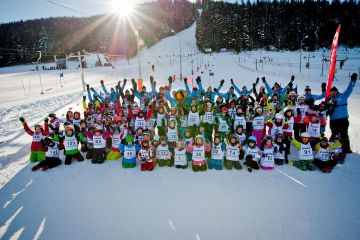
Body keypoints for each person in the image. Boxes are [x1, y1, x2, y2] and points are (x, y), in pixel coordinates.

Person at [326, 73, 357, 153]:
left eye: (334, 91)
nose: (332, 93)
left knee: (343, 134)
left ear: (337, 91)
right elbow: (325, 109)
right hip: (333, 121)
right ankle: (333, 148)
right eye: (331, 92)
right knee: (334, 135)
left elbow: (349, 89)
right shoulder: (329, 99)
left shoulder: (343, 96)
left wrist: (353, 81)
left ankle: (346, 149)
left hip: (343, 120)